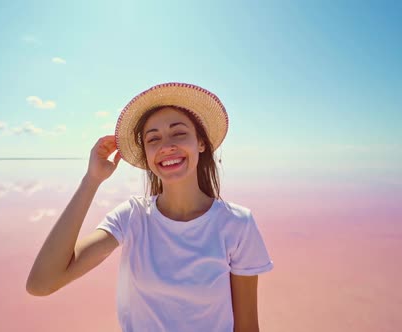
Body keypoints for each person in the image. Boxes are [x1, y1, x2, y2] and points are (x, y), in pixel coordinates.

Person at [26, 82, 274, 331]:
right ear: (146, 154)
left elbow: (247, 326)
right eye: (153, 138)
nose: (166, 146)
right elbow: (42, 283)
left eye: (179, 133)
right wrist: (91, 180)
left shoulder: (237, 224)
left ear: (201, 143)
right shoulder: (132, 217)